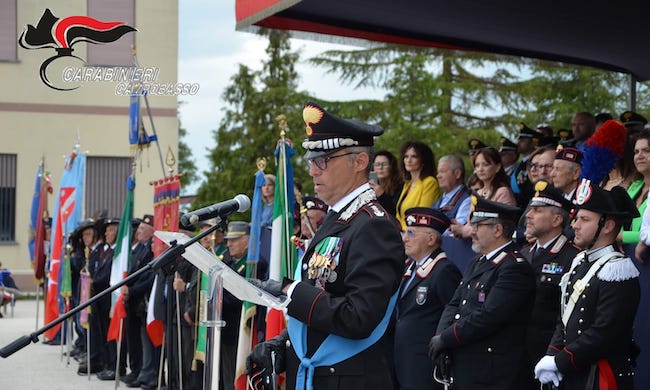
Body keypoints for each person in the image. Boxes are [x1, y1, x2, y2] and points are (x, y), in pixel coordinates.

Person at [247, 102, 405, 390]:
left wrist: (290, 292)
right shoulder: (339, 219)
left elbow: (358, 317)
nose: (312, 171)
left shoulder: (373, 225)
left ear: (358, 163)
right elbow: (326, 292)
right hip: (317, 372)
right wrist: (284, 342)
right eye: (311, 161)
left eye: (323, 160)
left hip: (348, 378)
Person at [535, 179, 640, 389]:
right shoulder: (580, 262)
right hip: (573, 372)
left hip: (600, 375)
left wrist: (559, 361)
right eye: (576, 218)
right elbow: (563, 321)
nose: (575, 225)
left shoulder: (618, 270)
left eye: (584, 219)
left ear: (608, 225)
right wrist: (551, 355)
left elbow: (604, 333)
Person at [429, 195, 535, 389]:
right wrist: (441, 336)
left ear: (497, 229)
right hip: (467, 363)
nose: (473, 231)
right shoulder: (478, 261)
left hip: (493, 371)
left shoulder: (513, 267)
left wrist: (446, 338)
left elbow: (489, 315)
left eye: (478, 226)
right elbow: (455, 303)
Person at [394, 207, 461, 390]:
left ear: (431, 239)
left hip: (425, 365)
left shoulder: (444, 271)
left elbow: (454, 313)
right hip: (402, 361)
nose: (405, 238)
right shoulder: (409, 268)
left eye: (411, 233)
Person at [521, 181, 579, 387]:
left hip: (550, 358)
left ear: (556, 219)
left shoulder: (573, 257)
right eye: (530, 209)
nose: (528, 214)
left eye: (537, 210)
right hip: (517, 356)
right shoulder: (524, 253)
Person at [80, 217, 119, 376]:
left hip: (108, 299)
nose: (106, 233)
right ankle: (104, 362)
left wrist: (93, 282)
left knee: (110, 334)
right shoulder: (106, 250)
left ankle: (112, 365)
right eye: (106, 230)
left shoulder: (117, 252)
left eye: (110, 230)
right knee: (101, 332)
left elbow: (108, 275)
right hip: (99, 299)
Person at [120, 215, 156, 387]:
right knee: (133, 339)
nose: (138, 232)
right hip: (133, 301)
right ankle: (136, 370)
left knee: (142, 341)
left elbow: (147, 278)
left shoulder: (150, 251)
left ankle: (143, 371)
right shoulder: (138, 249)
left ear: (151, 233)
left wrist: (131, 290)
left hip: (142, 301)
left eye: (142, 229)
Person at [433, 154, 474, 273]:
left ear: (457, 174)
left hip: (454, 259)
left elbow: (455, 231)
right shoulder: (438, 201)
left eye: (442, 171)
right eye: (438, 172)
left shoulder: (467, 199)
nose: (438, 176)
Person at [396, 140, 442, 229]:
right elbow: (399, 214)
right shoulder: (407, 184)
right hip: (400, 233)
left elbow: (422, 215)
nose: (409, 160)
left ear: (423, 160)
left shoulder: (429, 182)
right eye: (406, 156)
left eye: (414, 156)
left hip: (415, 234)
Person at [511, 123, 543, 208]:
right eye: (518, 140)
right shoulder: (521, 164)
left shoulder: (537, 164)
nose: (518, 143)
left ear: (533, 143)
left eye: (522, 140)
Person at [370, 150, 403, 216]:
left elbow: (395, 212)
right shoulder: (369, 186)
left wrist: (382, 195)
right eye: (377, 164)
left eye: (384, 164)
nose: (380, 167)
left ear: (391, 166)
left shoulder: (400, 186)